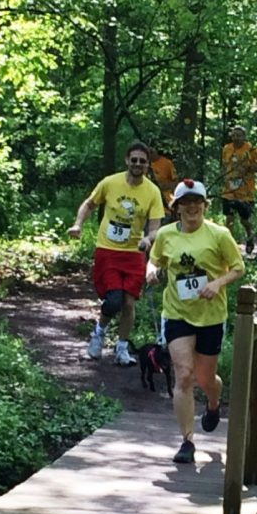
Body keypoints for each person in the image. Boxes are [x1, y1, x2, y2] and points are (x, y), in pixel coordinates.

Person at [146, 179, 245, 464]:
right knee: (184, 374)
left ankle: (214, 402)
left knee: (204, 378)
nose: (191, 207)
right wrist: (151, 270)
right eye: (185, 202)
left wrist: (218, 283)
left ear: (204, 205)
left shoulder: (219, 234)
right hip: (177, 312)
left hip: (211, 315)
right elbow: (156, 260)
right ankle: (187, 441)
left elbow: (239, 268)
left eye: (196, 201)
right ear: (175, 208)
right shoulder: (165, 234)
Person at [68, 141, 165, 366]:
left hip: (133, 253)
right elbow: (89, 204)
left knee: (129, 303)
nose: (138, 164)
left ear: (148, 165)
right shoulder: (110, 182)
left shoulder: (152, 191)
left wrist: (148, 239)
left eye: (142, 161)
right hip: (108, 250)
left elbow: (155, 227)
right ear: (127, 161)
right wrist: (78, 224)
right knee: (113, 300)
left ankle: (121, 348)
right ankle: (98, 334)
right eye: (134, 160)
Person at [220, 125, 257, 254]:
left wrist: (249, 169)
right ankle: (227, 245)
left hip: (246, 191)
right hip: (229, 190)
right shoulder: (227, 148)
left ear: (244, 137)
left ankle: (250, 237)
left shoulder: (251, 149)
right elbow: (225, 165)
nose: (236, 138)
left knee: (244, 220)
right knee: (229, 218)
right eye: (234, 135)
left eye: (239, 135)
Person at [149, 146, 178, 218]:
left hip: (165, 206)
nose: (150, 154)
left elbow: (175, 181)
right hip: (150, 205)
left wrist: (165, 186)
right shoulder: (145, 165)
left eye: (151, 152)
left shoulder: (167, 163)